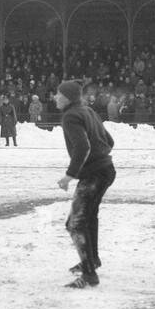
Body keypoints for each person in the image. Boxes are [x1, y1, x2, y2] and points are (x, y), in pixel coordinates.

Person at [55, 79, 115, 289]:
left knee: (76, 223)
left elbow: (82, 147)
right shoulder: (88, 111)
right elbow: (110, 141)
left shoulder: (71, 116)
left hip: (94, 175)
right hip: (106, 170)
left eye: (58, 94)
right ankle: (92, 260)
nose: (55, 97)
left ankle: (89, 275)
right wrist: (101, 156)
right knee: (88, 218)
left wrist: (69, 176)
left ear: (68, 97)